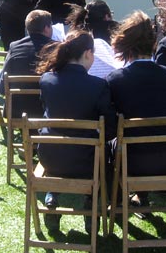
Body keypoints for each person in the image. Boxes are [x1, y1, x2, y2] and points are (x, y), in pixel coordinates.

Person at [35, 31, 116, 231]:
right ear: (88, 53)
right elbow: (112, 127)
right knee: (104, 150)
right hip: (87, 161)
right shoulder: (98, 85)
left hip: (50, 157)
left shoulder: (46, 80)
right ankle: (91, 204)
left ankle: (52, 195)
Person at [107, 11, 166, 205]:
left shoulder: (116, 79)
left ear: (127, 47)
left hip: (132, 160)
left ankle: (114, 201)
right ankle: (142, 196)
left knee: (108, 140)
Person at [0, 10, 53, 121]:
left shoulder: (14, 46)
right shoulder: (56, 48)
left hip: (17, 110)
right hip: (46, 111)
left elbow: (2, 85)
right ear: (46, 28)